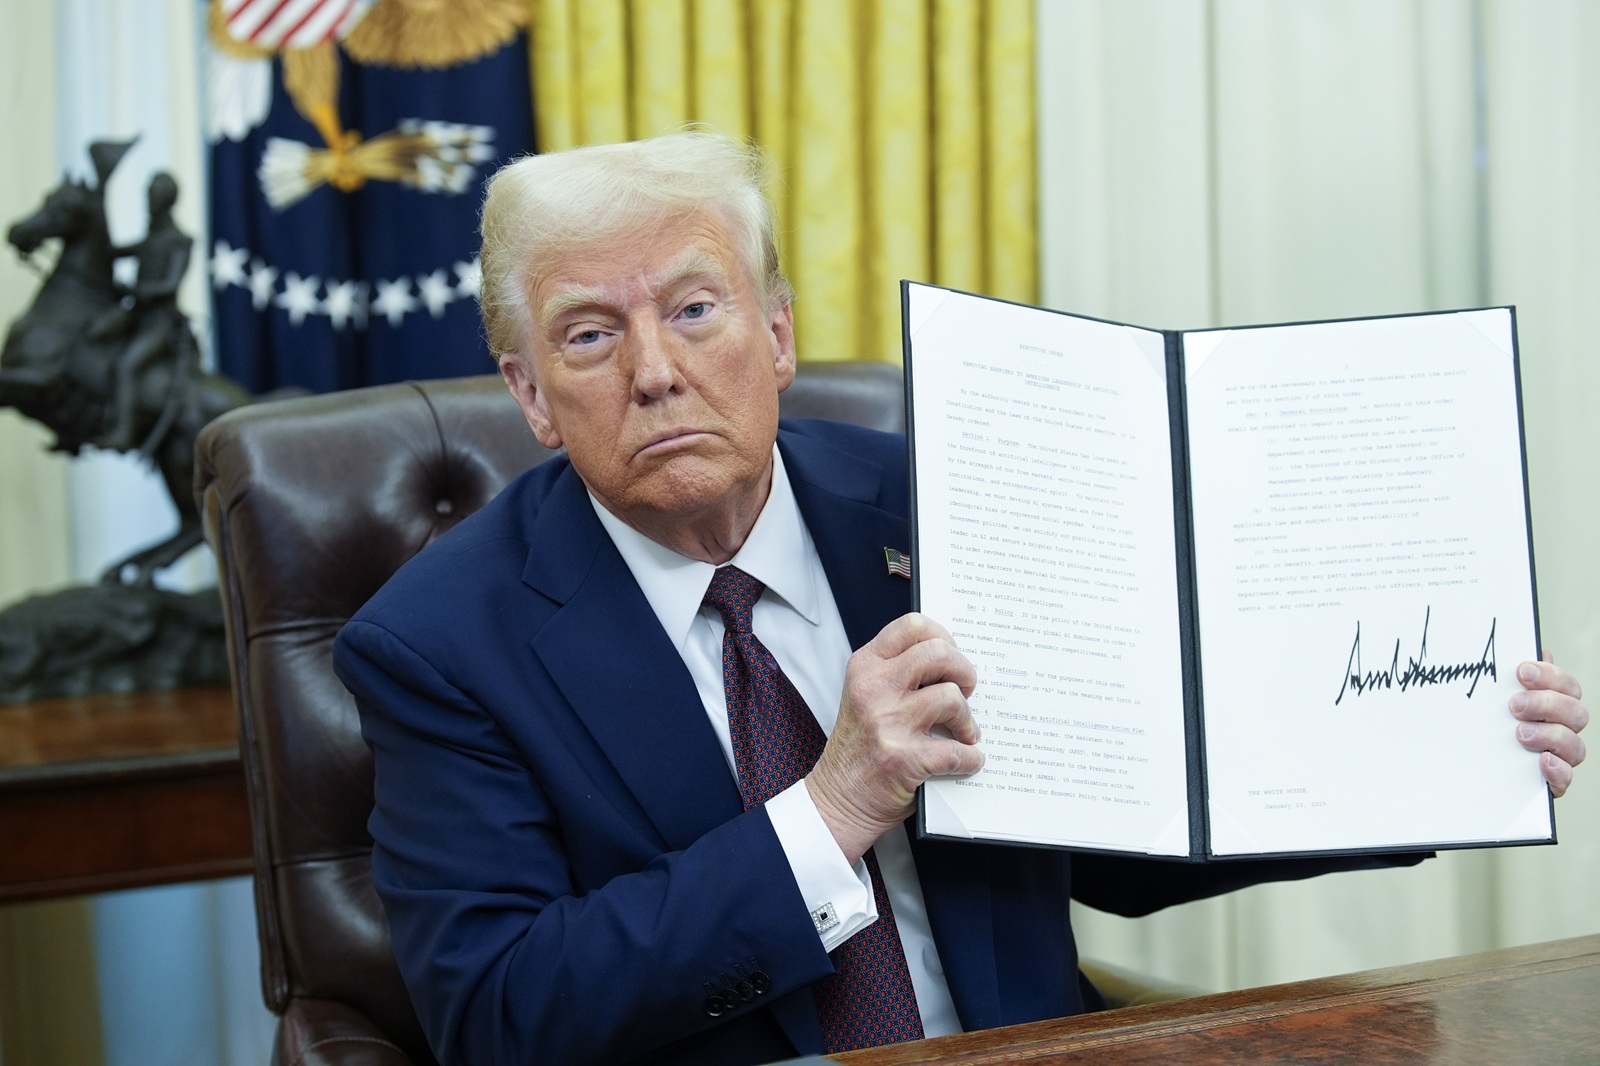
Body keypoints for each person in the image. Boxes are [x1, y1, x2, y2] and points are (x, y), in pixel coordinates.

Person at [332, 132, 1588, 1066]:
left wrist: (1429, 751)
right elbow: (497, 1015)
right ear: (532, 394)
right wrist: (831, 809)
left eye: (695, 308)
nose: (656, 371)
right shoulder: (441, 643)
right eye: (590, 336)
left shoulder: (946, 500)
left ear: (775, 334)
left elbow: (1122, 826)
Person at [88, 171, 198, 456]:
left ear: (167, 201)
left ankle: (123, 431)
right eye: (149, 196)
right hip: (135, 317)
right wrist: (97, 205)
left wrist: (136, 290)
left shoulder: (179, 241)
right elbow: (109, 252)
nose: (150, 203)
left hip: (160, 324)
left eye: (156, 197)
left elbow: (170, 285)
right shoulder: (150, 239)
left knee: (127, 365)